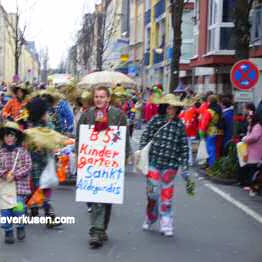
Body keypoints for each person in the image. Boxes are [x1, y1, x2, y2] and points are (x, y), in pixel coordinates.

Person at [76, 86, 130, 248]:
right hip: (92, 163)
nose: (98, 99)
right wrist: (79, 155)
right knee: (95, 198)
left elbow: (123, 137)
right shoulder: (87, 115)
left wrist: (124, 155)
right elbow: (80, 136)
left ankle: (102, 228)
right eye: (96, 97)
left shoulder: (118, 115)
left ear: (108, 98)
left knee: (107, 199)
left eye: (102, 97)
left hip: (110, 162)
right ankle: (96, 231)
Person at [139, 94, 193, 237]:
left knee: (167, 195)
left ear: (177, 109)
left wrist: (185, 168)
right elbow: (145, 136)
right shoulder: (156, 120)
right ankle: (151, 216)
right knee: (152, 193)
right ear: (164, 107)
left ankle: (166, 221)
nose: (171, 110)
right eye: (169, 107)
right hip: (153, 163)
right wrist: (142, 152)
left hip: (171, 166)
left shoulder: (180, 125)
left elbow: (184, 147)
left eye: (174, 108)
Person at [24, 97, 62, 228]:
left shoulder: (31, 127)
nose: (48, 115)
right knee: (44, 187)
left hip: (36, 162)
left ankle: (34, 210)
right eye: (46, 112)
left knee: (36, 187)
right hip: (42, 162)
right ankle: (49, 215)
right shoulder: (44, 128)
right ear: (41, 114)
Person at [0, 121, 32, 244]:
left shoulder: (23, 152)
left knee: (19, 209)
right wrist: (4, 174)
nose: (9, 138)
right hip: (5, 189)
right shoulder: (0, 153)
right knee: (5, 212)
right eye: (7, 136)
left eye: (12, 136)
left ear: (16, 138)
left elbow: (28, 165)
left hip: (19, 188)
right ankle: (8, 231)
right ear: (3, 138)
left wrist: (15, 175)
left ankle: (20, 227)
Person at [237, 111, 262, 195]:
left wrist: (244, 139)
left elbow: (254, 137)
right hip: (252, 149)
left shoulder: (257, 126)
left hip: (255, 149)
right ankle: (251, 185)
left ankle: (253, 187)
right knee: (251, 168)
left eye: (250, 118)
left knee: (253, 169)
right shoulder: (253, 126)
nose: (248, 119)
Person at [199, 95, 222, 168]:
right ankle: (212, 164)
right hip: (216, 129)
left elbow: (204, 123)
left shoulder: (209, 111)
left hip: (209, 130)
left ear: (209, 102)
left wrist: (202, 132)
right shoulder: (218, 109)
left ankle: (212, 165)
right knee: (213, 147)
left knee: (210, 147)